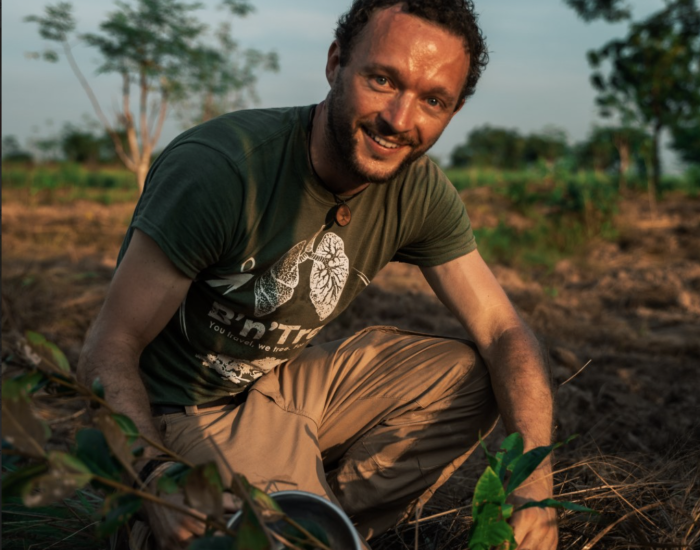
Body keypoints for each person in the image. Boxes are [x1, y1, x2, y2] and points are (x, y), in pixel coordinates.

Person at [78, 0, 558, 548]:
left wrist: (532, 482)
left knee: (468, 377)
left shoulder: (417, 189)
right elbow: (108, 347)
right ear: (336, 65)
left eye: (432, 100)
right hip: (183, 408)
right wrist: (151, 479)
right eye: (382, 80)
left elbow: (502, 330)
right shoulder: (224, 169)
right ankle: (236, 518)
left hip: (277, 384)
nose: (400, 121)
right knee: (256, 530)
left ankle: (313, 517)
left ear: (455, 109)